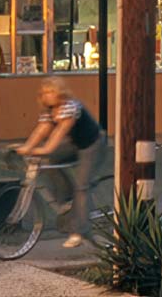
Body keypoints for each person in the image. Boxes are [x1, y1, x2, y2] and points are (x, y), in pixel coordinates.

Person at [15, 77, 102, 248]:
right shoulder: (49, 110)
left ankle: (79, 232)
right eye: (45, 92)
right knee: (49, 161)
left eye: (51, 91)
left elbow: (59, 133)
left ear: (61, 92)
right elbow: (41, 130)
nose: (48, 95)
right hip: (74, 144)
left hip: (92, 144)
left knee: (82, 186)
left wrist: (43, 149)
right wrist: (27, 147)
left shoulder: (70, 106)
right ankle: (68, 200)